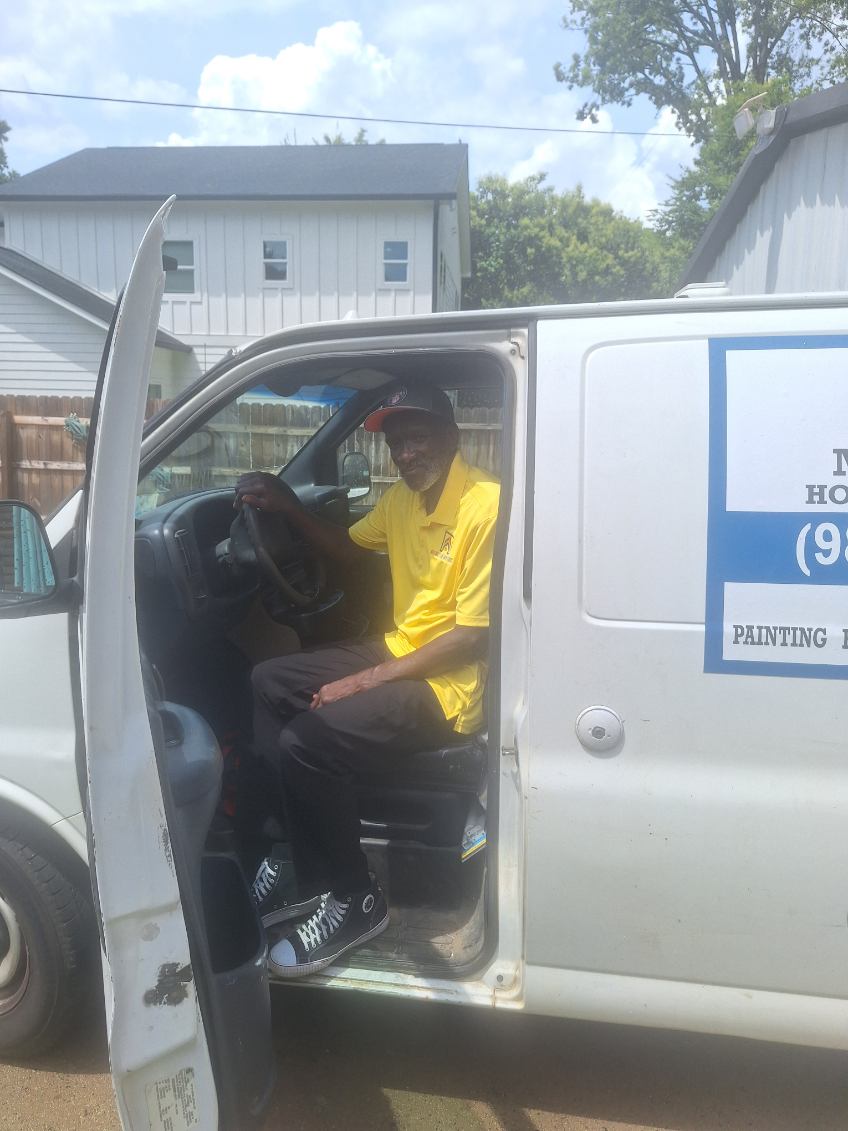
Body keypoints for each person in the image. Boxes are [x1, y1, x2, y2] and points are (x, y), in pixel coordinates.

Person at [236, 383, 500, 978]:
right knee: (267, 680)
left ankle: (357, 899)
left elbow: (470, 636)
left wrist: (362, 683)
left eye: (419, 437)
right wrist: (288, 510)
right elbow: (350, 549)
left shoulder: (484, 504)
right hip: (402, 647)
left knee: (305, 741)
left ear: (452, 437)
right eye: (397, 442)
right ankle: (304, 872)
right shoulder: (403, 500)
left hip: (451, 683)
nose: (406, 453)